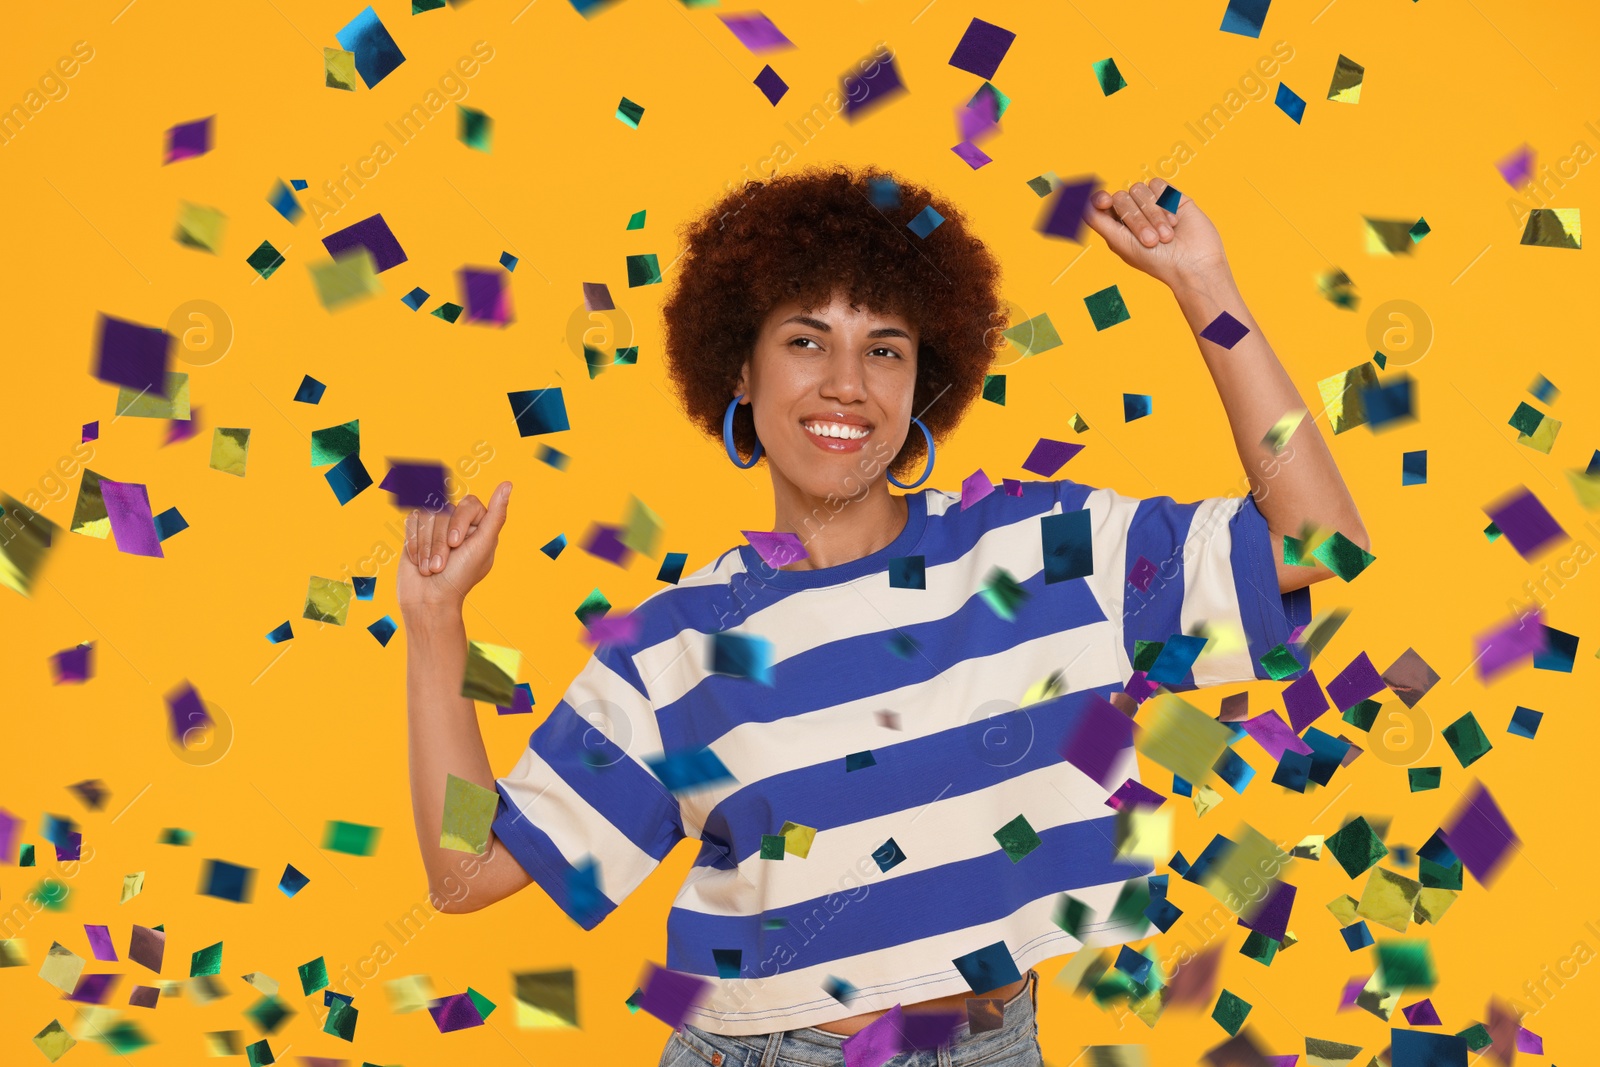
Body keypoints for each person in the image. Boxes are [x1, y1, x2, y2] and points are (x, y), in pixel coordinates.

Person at [399, 164, 1369, 1066]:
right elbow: (468, 873)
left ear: (921, 379)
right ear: (739, 369)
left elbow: (1323, 544)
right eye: (805, 339)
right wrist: (436, 620)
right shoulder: (677, 643)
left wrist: (1204, 283)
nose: (845, 383)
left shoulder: (1042, 549)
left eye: (884, 348)